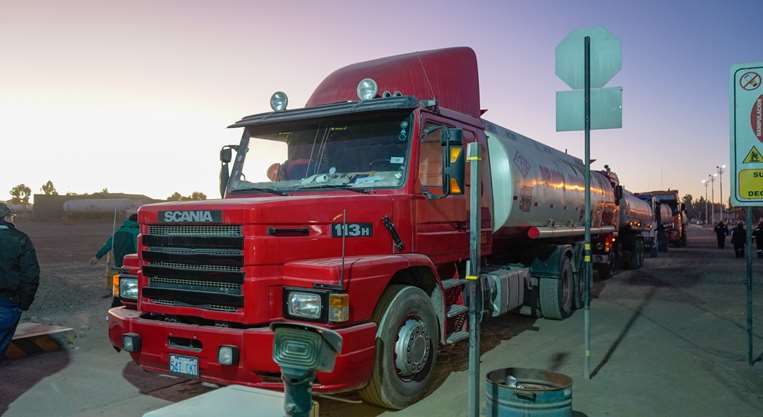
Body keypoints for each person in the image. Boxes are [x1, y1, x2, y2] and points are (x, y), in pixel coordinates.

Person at [0, 203, 40, 359]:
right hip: (8, 304)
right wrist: (25, 302)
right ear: (7, 218)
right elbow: (30, 275)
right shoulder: (20, 239)